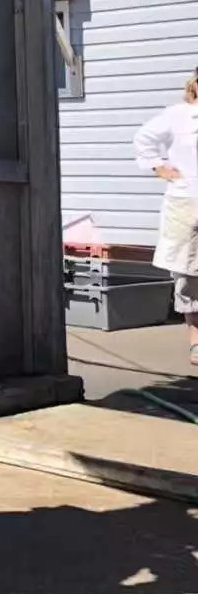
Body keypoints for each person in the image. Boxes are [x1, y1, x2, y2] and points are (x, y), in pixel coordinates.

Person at [133, 74, 198, 371]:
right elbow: (144, 139)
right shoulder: (178, 116)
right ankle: (196, 340)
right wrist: (161, 169)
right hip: (186, 203)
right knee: (188, 274)